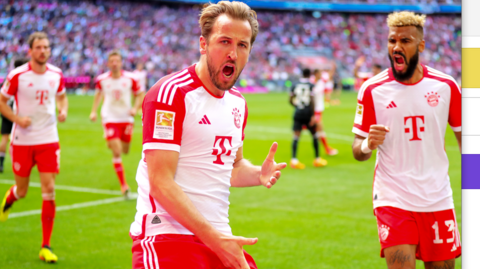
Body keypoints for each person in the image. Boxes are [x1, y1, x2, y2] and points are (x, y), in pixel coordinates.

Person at [129, 2, 286, 269]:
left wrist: (257, 174)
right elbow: (160, 182)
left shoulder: (238, 104)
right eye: (224, 42)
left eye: (242, 45)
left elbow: (232, 168)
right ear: (203, 44)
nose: (233, 54)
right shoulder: (170, 94)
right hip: (167, 238)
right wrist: (215, 240)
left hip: (218, 235)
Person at [351, 12, 461, 269]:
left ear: (421, 45)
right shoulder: (372, 89)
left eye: (405, 41)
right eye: (392, 40)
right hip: (393, 199)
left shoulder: (446, 86)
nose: (397, 46)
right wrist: (368, 143)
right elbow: (357, 149)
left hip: (437, 197)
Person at [0, 32, 69, 263]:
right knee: (22, 191)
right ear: (30, 51)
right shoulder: (17, 75)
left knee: (49, 189)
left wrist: (63, 110)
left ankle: (45, 246)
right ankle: (10, 199)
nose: (43, 51)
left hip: (49, 139)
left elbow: (62, 97)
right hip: (23, 141)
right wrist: (17, 119)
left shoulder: (56, 74)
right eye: (38, 47)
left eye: (46, 47)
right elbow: (2, 101)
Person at [90, 51, 144, 198]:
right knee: (117, 151)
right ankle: (123, 185)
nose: (114, 64)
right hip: (109, 117)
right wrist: (94, 111)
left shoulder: (131, 79)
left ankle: (110, 140)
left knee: (125, 149)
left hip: (126, 118)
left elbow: (139, 94)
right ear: (108, 63)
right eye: (111, 61)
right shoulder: (102, 79)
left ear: (121, 63)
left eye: (117, 61)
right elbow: (98, 95)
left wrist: (135, 108)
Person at [289, 68, 327, 169]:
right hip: (308, 113)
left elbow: (290, 99)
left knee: (296, 136)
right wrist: (313, 115)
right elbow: (312, 100)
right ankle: (317, 159)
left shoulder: (295, 85)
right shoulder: (311, 86)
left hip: (298, 112)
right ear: (310, 74)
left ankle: (294, 160)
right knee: (314, 135)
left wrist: (296, 106)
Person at [0, 57, 29, 172]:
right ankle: (21, 164)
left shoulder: (8, 79)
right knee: (24, 139)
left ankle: (1, 163)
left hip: (6, 110)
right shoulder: (23, 79)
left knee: (5, 138)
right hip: (19, 112)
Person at [312, 68, 338, 156]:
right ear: (316, 74)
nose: (321, 75)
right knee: (319, 129)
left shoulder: (320, 82)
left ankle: (326, 148)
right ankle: (325, 149)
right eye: (319, 73)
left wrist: (333, 68)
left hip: (318, 110)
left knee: (318, 130)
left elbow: (329, 76)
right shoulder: (314, 84)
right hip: (315, 110)